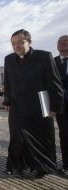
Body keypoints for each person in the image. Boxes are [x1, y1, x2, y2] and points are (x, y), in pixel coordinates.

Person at [3, 29, 63, 177]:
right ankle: (16, 165)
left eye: (20, 42)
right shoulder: (9, 59)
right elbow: (8, 83)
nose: (16, 46)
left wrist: (55, 107)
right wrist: (8, 102)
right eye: (13, 43)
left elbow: (54, 83)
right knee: (16, 138)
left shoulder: (44, 56)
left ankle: (42, 167)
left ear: (29, 41)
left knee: (41, 138)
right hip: (17, 106)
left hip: (39, 106)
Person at [54, 35, 68, 173]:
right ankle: (66, 164)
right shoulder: (52, 62)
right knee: (64, 134)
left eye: (66, 41)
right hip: (61, 105)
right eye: (60, 41)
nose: (62, 43)